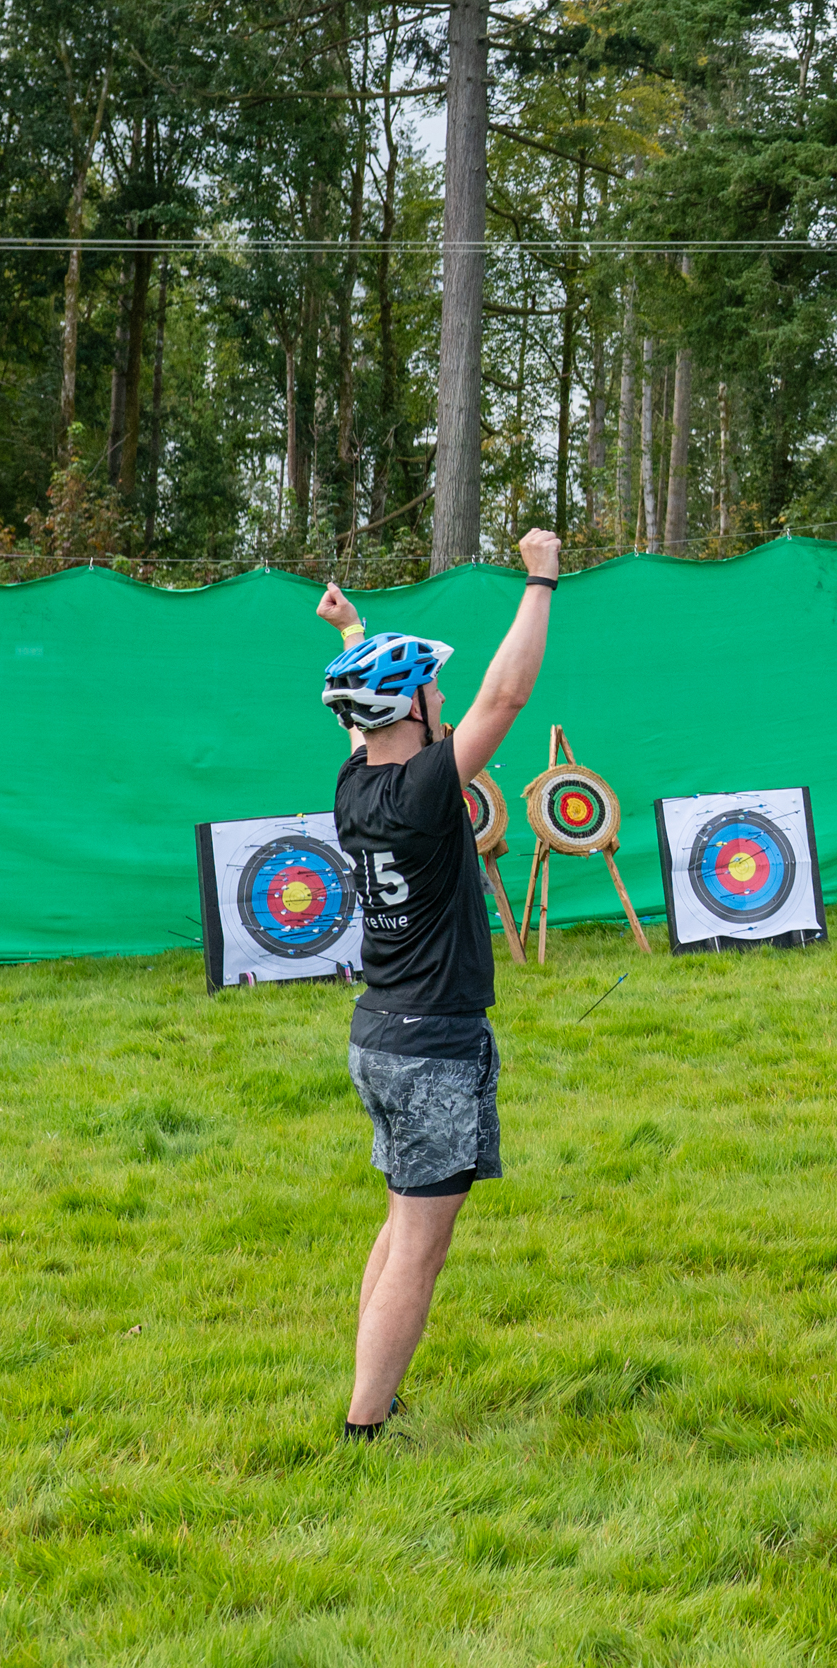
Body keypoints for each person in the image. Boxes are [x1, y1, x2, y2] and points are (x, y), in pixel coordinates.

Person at [313, 529, 559, 1439]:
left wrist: (352, 631)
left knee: (398, 1224)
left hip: (381, 1036)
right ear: (411, 710)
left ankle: (371, 1399)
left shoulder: (356, 785)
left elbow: (361, 714)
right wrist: (541, 578)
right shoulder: (423, 788)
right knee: (420, 1244)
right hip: (430, 1048)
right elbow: (508, 694)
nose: (446, 700)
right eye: (432, 692)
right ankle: (365, 1424)